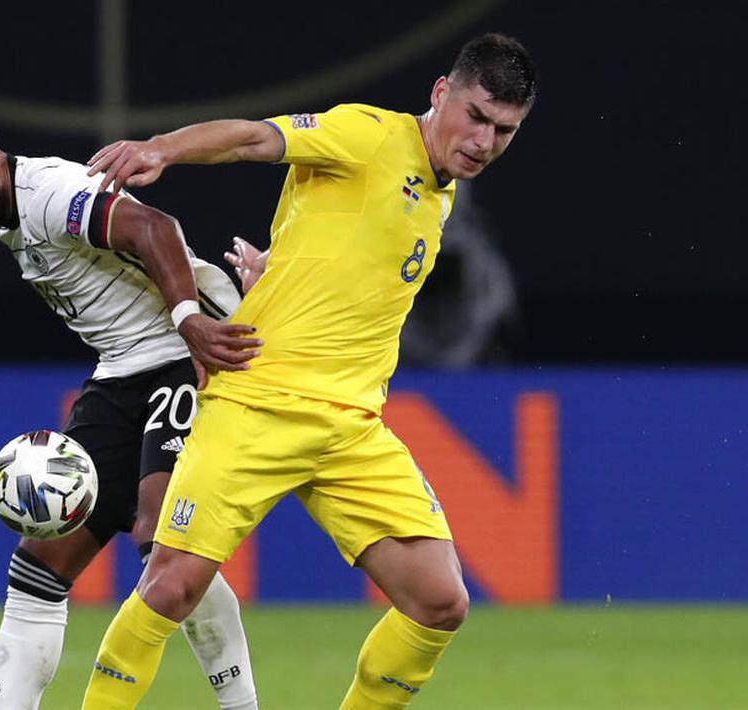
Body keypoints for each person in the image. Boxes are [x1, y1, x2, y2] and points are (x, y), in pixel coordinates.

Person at [81, 32, 537, 709]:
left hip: (350, 427)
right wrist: (161, 148)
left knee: (438, 601)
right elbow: (250, 140)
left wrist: (281, 270)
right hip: (258, 403)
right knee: (172, 584)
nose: (483, 140)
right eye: (474, 115)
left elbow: (351, 262)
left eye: (503, 130)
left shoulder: (438, 197)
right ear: (441, 94)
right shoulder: (367, 134)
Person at [0, 99, 263, 710]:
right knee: (40, 561)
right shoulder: (9, 215)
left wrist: (190, 318)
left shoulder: (47, 192)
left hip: (183, 353)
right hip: (122, 375)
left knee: (161, 534)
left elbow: (154, 227)